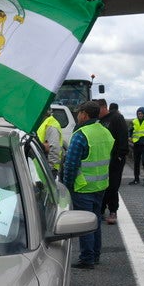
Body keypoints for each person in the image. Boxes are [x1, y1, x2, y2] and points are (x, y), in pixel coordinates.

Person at [61, 101, 114, 269]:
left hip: (82, 186)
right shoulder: (105, 132)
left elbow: (70, 164)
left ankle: (87, 258)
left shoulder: (80, 134)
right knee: (95, 220)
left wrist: (66, 186)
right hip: (101, 185)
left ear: (84, 114)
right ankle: (95, 255)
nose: (78, 116)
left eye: (79, 113)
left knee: (85, 224)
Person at [96, 98, 128, 225]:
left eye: (98, 110)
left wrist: (120, 155)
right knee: (102, 185)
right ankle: (101, 210)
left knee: (113, 186)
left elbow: (123, 136)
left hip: (115, 159)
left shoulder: (116, 118)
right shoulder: (100, 121)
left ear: (104, 107)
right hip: (102, 160)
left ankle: (113, 211)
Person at [128, 107, 144, 185]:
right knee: (136, 162)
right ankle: (136, 179)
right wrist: (129, 136)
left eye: (141, 113)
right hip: (136, 144)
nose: (140, 115)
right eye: (138, 114)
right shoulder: (134, 121)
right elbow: (130, 130)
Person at [36, 107, 63, 178]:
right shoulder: (43, 123)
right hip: (41, 168)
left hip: (47, 169)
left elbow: (54, 147)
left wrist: (50, 169)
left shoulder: (51, 124)